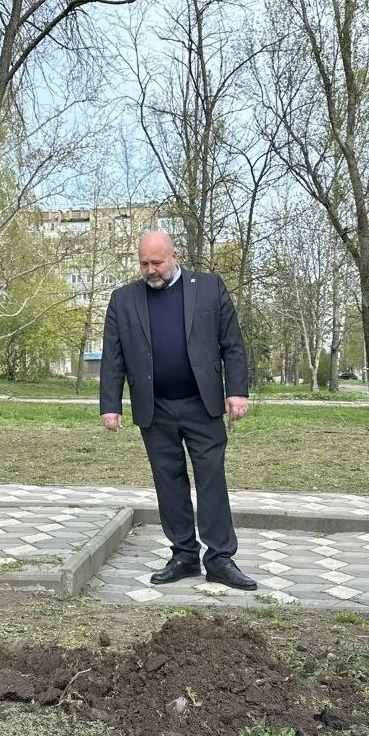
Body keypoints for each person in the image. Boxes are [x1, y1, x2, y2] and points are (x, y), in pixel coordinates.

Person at [99, 231, 256, 591]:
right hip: (154, 408)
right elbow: (113, 356)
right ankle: (184, 555)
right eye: (144, 264)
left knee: (211, 478)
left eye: (157, 262)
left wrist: (236, 391)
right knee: (168, 482)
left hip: (202, 404)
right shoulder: (123, 299)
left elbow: (232, 343)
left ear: (175, 256)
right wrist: (110, 405)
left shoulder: (209, 287)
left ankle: (220, 559)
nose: (150, 270)